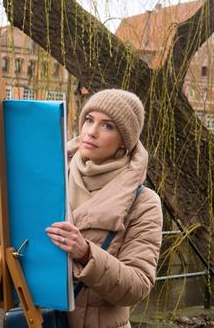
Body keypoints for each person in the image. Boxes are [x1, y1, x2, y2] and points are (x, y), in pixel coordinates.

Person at [46, 89, 163, 328]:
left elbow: (138, 285)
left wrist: (86, 254)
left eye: (107, 126)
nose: (91, 132)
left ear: (125, 141)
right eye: (89, 120)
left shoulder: (143, 202)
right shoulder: (50, 176)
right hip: (42, 321)